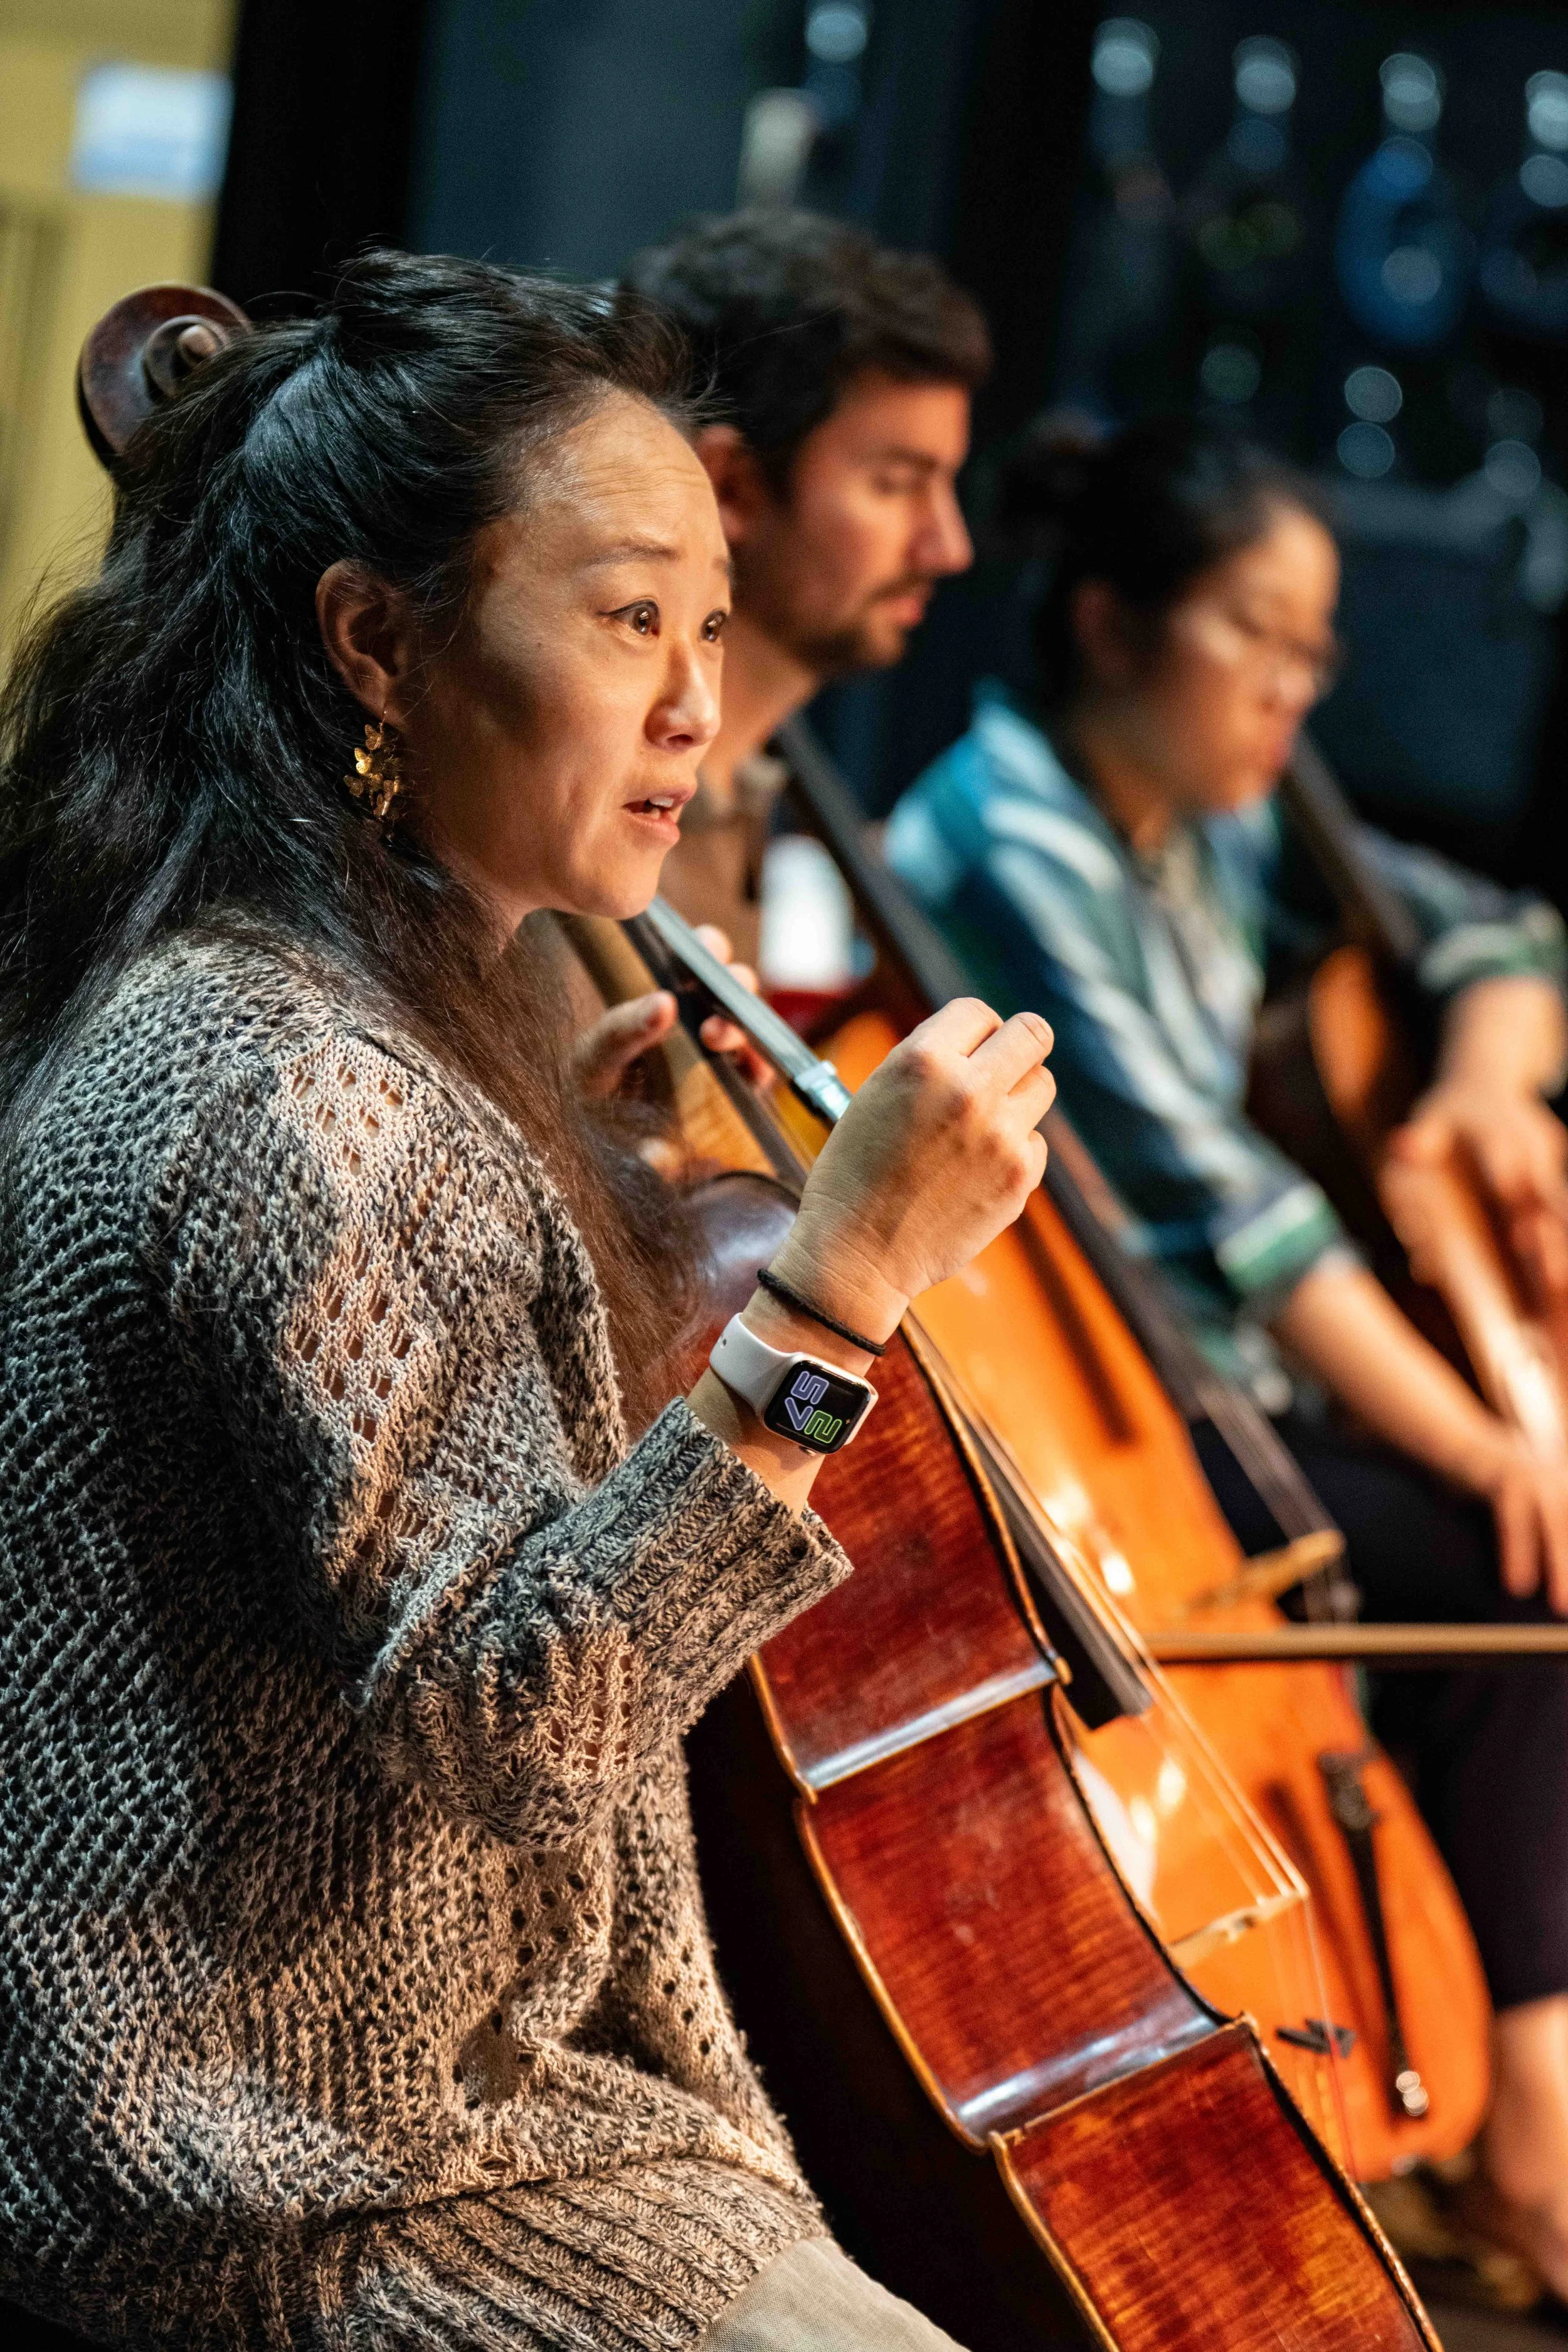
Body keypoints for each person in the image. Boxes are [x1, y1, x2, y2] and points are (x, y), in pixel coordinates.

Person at [0, 251, 1057, 2351]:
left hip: (316, 2113)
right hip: (285, 2181)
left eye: (707, 626)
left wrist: (554, 1212)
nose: (690, 699)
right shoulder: (311, 1092)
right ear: (377, 640)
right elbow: (523, 1733)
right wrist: (838, 1286)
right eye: (625, 614)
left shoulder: (273, 1003)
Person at [884, 413, 1568, 2289]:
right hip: (1126, 1413)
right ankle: (1527, 2124)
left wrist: (1486, 1092)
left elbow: (1499, 927)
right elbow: (1239, 1218)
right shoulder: (1000, 832)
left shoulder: (1214, 813)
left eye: (1312, 650)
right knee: (1506, 1575)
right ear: (1110, 623)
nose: (1294, 687)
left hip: (1236, 1392)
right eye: (1255, 636)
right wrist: (1500, 1444)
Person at [610, 208, 984, 965]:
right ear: (732, 488)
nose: (948, 547)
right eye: (895, 484)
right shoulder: (600, 818)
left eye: (947, 486)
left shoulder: (742, 791)